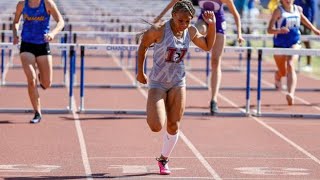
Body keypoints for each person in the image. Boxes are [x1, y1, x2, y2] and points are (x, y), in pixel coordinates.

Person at [137, 0, 216, 175]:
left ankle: (163, 159)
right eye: (181, 21)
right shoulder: (158, 30)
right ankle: (155, 109)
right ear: (173, 16)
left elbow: (208, 46)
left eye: (188, 21)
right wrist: (140, 72)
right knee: (156, 125)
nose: (184, 25)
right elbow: (142, 46)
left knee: (173, 125)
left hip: (178, 82)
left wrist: (212, 25)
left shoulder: (191, 31)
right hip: (158, 82)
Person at [154, 0, 244, 114]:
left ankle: (214, 100)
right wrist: (159, 17)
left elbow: (236, 14)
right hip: (203, 21)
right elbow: (175, 1)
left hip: (218, 23)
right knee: (190, 32)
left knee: (215, 62)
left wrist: (239, 34)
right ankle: (172, 54)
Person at [12, 0, 65, 123]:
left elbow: (61, 22)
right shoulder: (22, 4)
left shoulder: (47, 3)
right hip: (26, 45)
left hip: (42, 45)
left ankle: (43, 76)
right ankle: (37, 112)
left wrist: (52, 33)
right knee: (31, 79)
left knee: (46, 83)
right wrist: (15, 34)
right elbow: (15, 22)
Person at [267, 0, 320, 105]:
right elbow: (269, 30)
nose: (288, 0)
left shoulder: (298, 9)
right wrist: (279, 30)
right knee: (283, 71)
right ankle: (278, 75)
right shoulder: (278, 11)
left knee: (290, 64)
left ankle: (290, 93)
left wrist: (314, 29)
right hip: (280, 44)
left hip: (294, 42)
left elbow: (303, 19)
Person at [294, 0, 315, 72]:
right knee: (297, 42)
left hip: (307, 22)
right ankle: (297, 63)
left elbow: (313, 9)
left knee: (307, 43)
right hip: (296, 21)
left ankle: (309, 64)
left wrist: (310, 24)